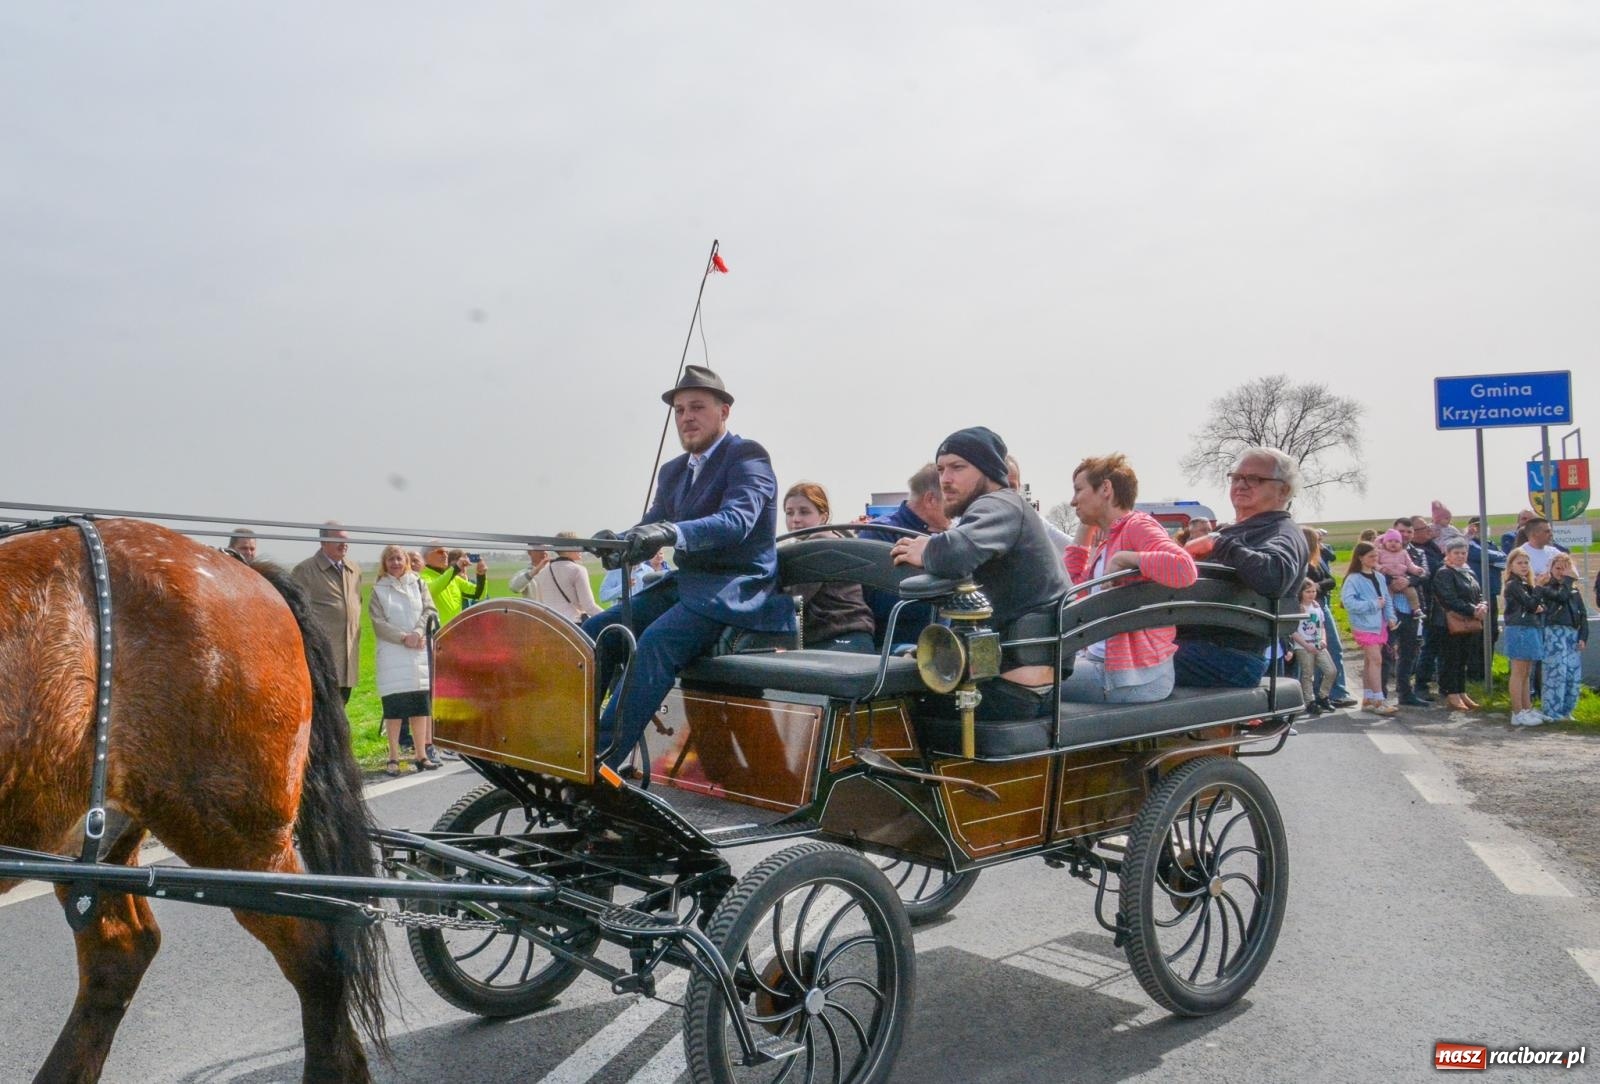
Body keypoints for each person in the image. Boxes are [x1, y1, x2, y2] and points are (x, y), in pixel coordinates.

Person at [583, 365, 794, 768]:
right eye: (679, 410)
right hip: (687, 586)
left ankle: (603, 756)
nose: (686, 418)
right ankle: (571, 735)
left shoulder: (747, 456)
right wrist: (618, 544)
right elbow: (653, 522)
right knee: (598, 633)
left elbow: (736, 521)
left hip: (735, 589)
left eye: (697, 407)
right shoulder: (674, 471)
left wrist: (668, 532)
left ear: (724, 411)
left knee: (656, 644)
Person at [890, 426, 1069, 719]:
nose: (945, 479)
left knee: (884, 710)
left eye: (958, 467)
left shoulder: (1000, 504)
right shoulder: (1000, 509)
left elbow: (957, 552)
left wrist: (927, 549)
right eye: (941, 469)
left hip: (1012, 691)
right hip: (1004, 679)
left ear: (987, 470)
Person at [1060, 453, 1196, 703]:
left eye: (1079, 490)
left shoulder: (1137, 526)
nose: (1072, 501)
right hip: (1106, 665)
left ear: (1106, 488)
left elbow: (1184, 569)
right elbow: (1072, 592)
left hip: (1134, 677)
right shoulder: (1109, 540)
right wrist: (1087, 526)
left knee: (1031, 684)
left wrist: (1127, 559)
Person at [1174, 447, 1309, 687]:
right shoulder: (1242, 529)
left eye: (1254, 479)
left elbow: (1275, 575)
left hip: (1228, 658)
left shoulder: (1281, 532)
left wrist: (1218, 543)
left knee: (1114, 667)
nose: (1241, 485)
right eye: (1236, 477)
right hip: (1202, 650)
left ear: (1284, 491)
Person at [781, 482, 876, 652]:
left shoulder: (822, 546)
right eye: (789, 513)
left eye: (804, 512)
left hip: (843, 633)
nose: (795, 519)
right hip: (829, 635)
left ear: (823, 517)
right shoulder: (805, 547)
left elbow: (795, 596)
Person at [368, 544, 439, 775]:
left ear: (405, 560)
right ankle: (393, 757)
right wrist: (403, 638)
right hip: (393, 653)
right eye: (391, 560)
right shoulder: (379, 589)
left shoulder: (418, 583)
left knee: (420, 706)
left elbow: (430, 610)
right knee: (395, 709)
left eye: (399, 558)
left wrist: (418, 633)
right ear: (384, 564)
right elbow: (378, 623)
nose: (396, 563)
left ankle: (421, 754)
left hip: (418, 651)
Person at [290, 522, 362, 703]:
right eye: (337, 539)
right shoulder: (305, 570)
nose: (344, 544)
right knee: (321, 711)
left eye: (346, 539)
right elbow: (296, 613)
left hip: (348, 656)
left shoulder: (354, 570)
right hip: (323, 657)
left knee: (342, 707)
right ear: (323, 542)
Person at [1340, 540, 1398, 716]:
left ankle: (1368, 697)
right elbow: (1349, 603)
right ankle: (1379, 700)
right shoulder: (1353, 579)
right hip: (1364, 624)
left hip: (1378, 624)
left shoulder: (1378, 576)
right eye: (1371, 556)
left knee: (1369, 661)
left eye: (1376, 556)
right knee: (1376, 660)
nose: (1375, 559)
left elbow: (1386, 598)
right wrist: (1373, 604)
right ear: (1360, 558)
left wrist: (1391, 617)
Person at [1430, 536, 1486, 711]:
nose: (1461, 556)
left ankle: (1462, 692)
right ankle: (1451, 693)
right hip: (1449, 623)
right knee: (1451, 659)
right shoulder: (1444, 573)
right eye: (1456, 553)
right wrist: (1472, 609)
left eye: (1463, 553)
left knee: (1463, 659)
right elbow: (1449, 599)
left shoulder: (1468, 571)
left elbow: (1478, 592)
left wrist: (1482, 605)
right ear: (1448, 554)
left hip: (1468, 622)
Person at [1537, 552, 1587, 723]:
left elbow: (1582, 614)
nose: (1561, 573)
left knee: (1572, 675)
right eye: (1558, 568)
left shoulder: (1573, 590)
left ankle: (1567, 710)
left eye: (1565, 569)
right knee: (1556, 673)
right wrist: (1567, 580)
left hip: (1572, 634)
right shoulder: (1546, 588)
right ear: (1551, 569)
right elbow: (1560, 597)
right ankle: (1552, 711)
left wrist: (1583, 636)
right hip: (1554, 632)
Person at [1502, 547, 1546, 726]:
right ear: (1511, 566)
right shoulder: (1513, 584)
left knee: (1527, 672)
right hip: (1519, 628)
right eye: (1519, 563)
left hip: (1530, 626)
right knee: (1518, 672)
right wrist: (1539, 589)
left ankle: (1526, 708)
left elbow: (1538, 605)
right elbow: (1530, 604)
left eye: (1526, 563)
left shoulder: (1525, 584)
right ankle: (1517, 711)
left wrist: (1536, 597)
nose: (1524, 566)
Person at [530, 533, 603, 622]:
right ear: (571, 548)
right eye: (578, 545)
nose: (581, 550)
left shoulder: (542, 571)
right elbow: (589, 606)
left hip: (550, 624)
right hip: (573, 624)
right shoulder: (577, 570)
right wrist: (610, 617)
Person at [1291, 578, 1337, 715]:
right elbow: (1292, 630)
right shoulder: (1297, 608)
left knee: (1331, 671)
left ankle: (1323, 696)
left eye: (1313, 591)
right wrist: (1305, 645)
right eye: (1307, 592)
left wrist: (1323, 639)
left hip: (1317, 643)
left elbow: (1321, 626)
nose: (1311, 594)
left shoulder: (1316, 607)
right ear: (1301, 593)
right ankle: (1309, 701)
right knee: (1307, 674)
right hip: (1303, 646)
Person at [420, 542, 488, 625]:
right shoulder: (421, 576)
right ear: (427, 556)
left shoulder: (454, 578)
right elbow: (432, 591)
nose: (445, 555)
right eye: (440, 552)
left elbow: (479, 594)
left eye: (447, 552)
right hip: (436, 634)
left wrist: (481, 575)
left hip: (455, 632)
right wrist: (456, 568)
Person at [599, 551, 672, 605]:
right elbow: (603, 596)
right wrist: (624, 587)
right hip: (620, 612)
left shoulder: (649, 570)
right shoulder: (615, 571)